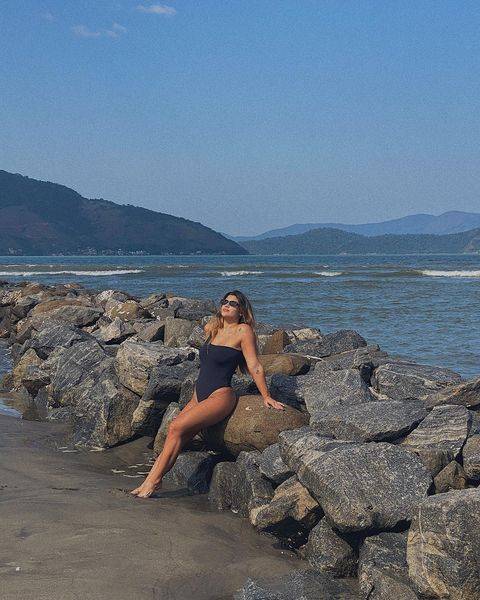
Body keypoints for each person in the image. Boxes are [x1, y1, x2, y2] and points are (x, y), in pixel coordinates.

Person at [130, 289, 286, 499]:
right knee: (176, 433)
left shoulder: (243, 331)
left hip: (220, 395)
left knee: (176, 426)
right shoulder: (213, 328)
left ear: (242, 311)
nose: (227, 305)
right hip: (198, 395)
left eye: (233, 303)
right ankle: (150, 480)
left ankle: (153, 481)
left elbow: (255, 366)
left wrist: (266, 396)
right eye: (225, 301)